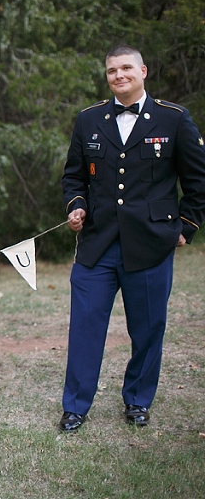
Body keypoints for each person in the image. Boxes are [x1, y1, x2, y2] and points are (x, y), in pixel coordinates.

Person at [58, 45, 205, 432]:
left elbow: (198, 181)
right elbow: (74, 176)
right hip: (97, 243)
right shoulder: (89, 119)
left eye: (126, 68)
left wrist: (186, 226)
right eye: (111, 70)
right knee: (85, 327)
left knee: (148, 328)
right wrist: (76, 205)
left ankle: (138, 400)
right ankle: (75, 406)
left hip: (152, 243)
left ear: (143, 70)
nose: (118, 75)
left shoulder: (173, 119)